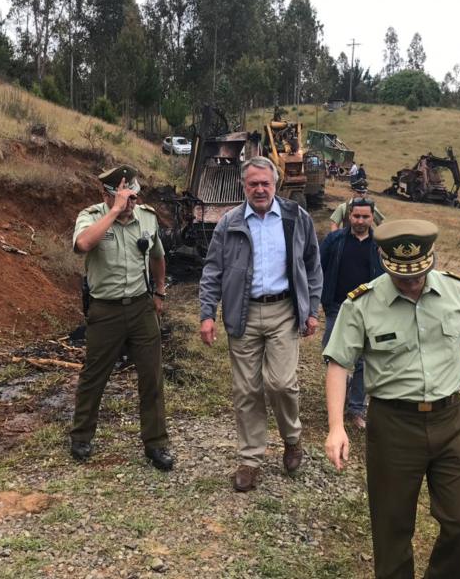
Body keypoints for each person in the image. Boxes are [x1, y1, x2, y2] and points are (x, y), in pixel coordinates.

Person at [323, 219, 460, 579]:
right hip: (393, 425)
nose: (411, 282)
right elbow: (339, 365)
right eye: (402, 277)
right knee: (392, 530)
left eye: (418, 275)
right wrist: (335, 427)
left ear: (430, 259)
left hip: (450, 420)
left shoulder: (457, 292)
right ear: (383, 258)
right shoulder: (362, 304)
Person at [198, 156, 323, 492]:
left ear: (275, 184)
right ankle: (250, 459)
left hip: (284, 310)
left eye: (265, 183)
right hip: (244, 313)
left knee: (281, 383)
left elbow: (312, 264)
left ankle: (292, 438)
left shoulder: (297, 218)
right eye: (253, 184)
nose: (259, 189)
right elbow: (212, 271)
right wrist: (207, 314)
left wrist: (311, 309)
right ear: (244, 186)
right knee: (247, 390)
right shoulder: (230, 222)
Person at [70, 165, 173, 471]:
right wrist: (113, 213)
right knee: (94, 376)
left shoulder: (148, 217)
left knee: (151, 377)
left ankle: (156, 444)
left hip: (141, 308)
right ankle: (82, 436)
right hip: (105, 310)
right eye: (125, 197)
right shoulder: (91, 217)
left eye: (134, 197)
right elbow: (83, 245)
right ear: (108, 194)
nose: (131, 204)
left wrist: (159, 292)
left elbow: (157, 256)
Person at [319, 198, 385, 429]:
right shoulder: (334, 240)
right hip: (337, 306)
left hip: (370, 309)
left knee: (364, 361)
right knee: (332, 355)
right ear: (349, 216)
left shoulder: (380, 245)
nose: (360, 221)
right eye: (356, 216)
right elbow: (318, 267)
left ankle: (356, 408)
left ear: (372, 217)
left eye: (365, 216)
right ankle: (339, 391)